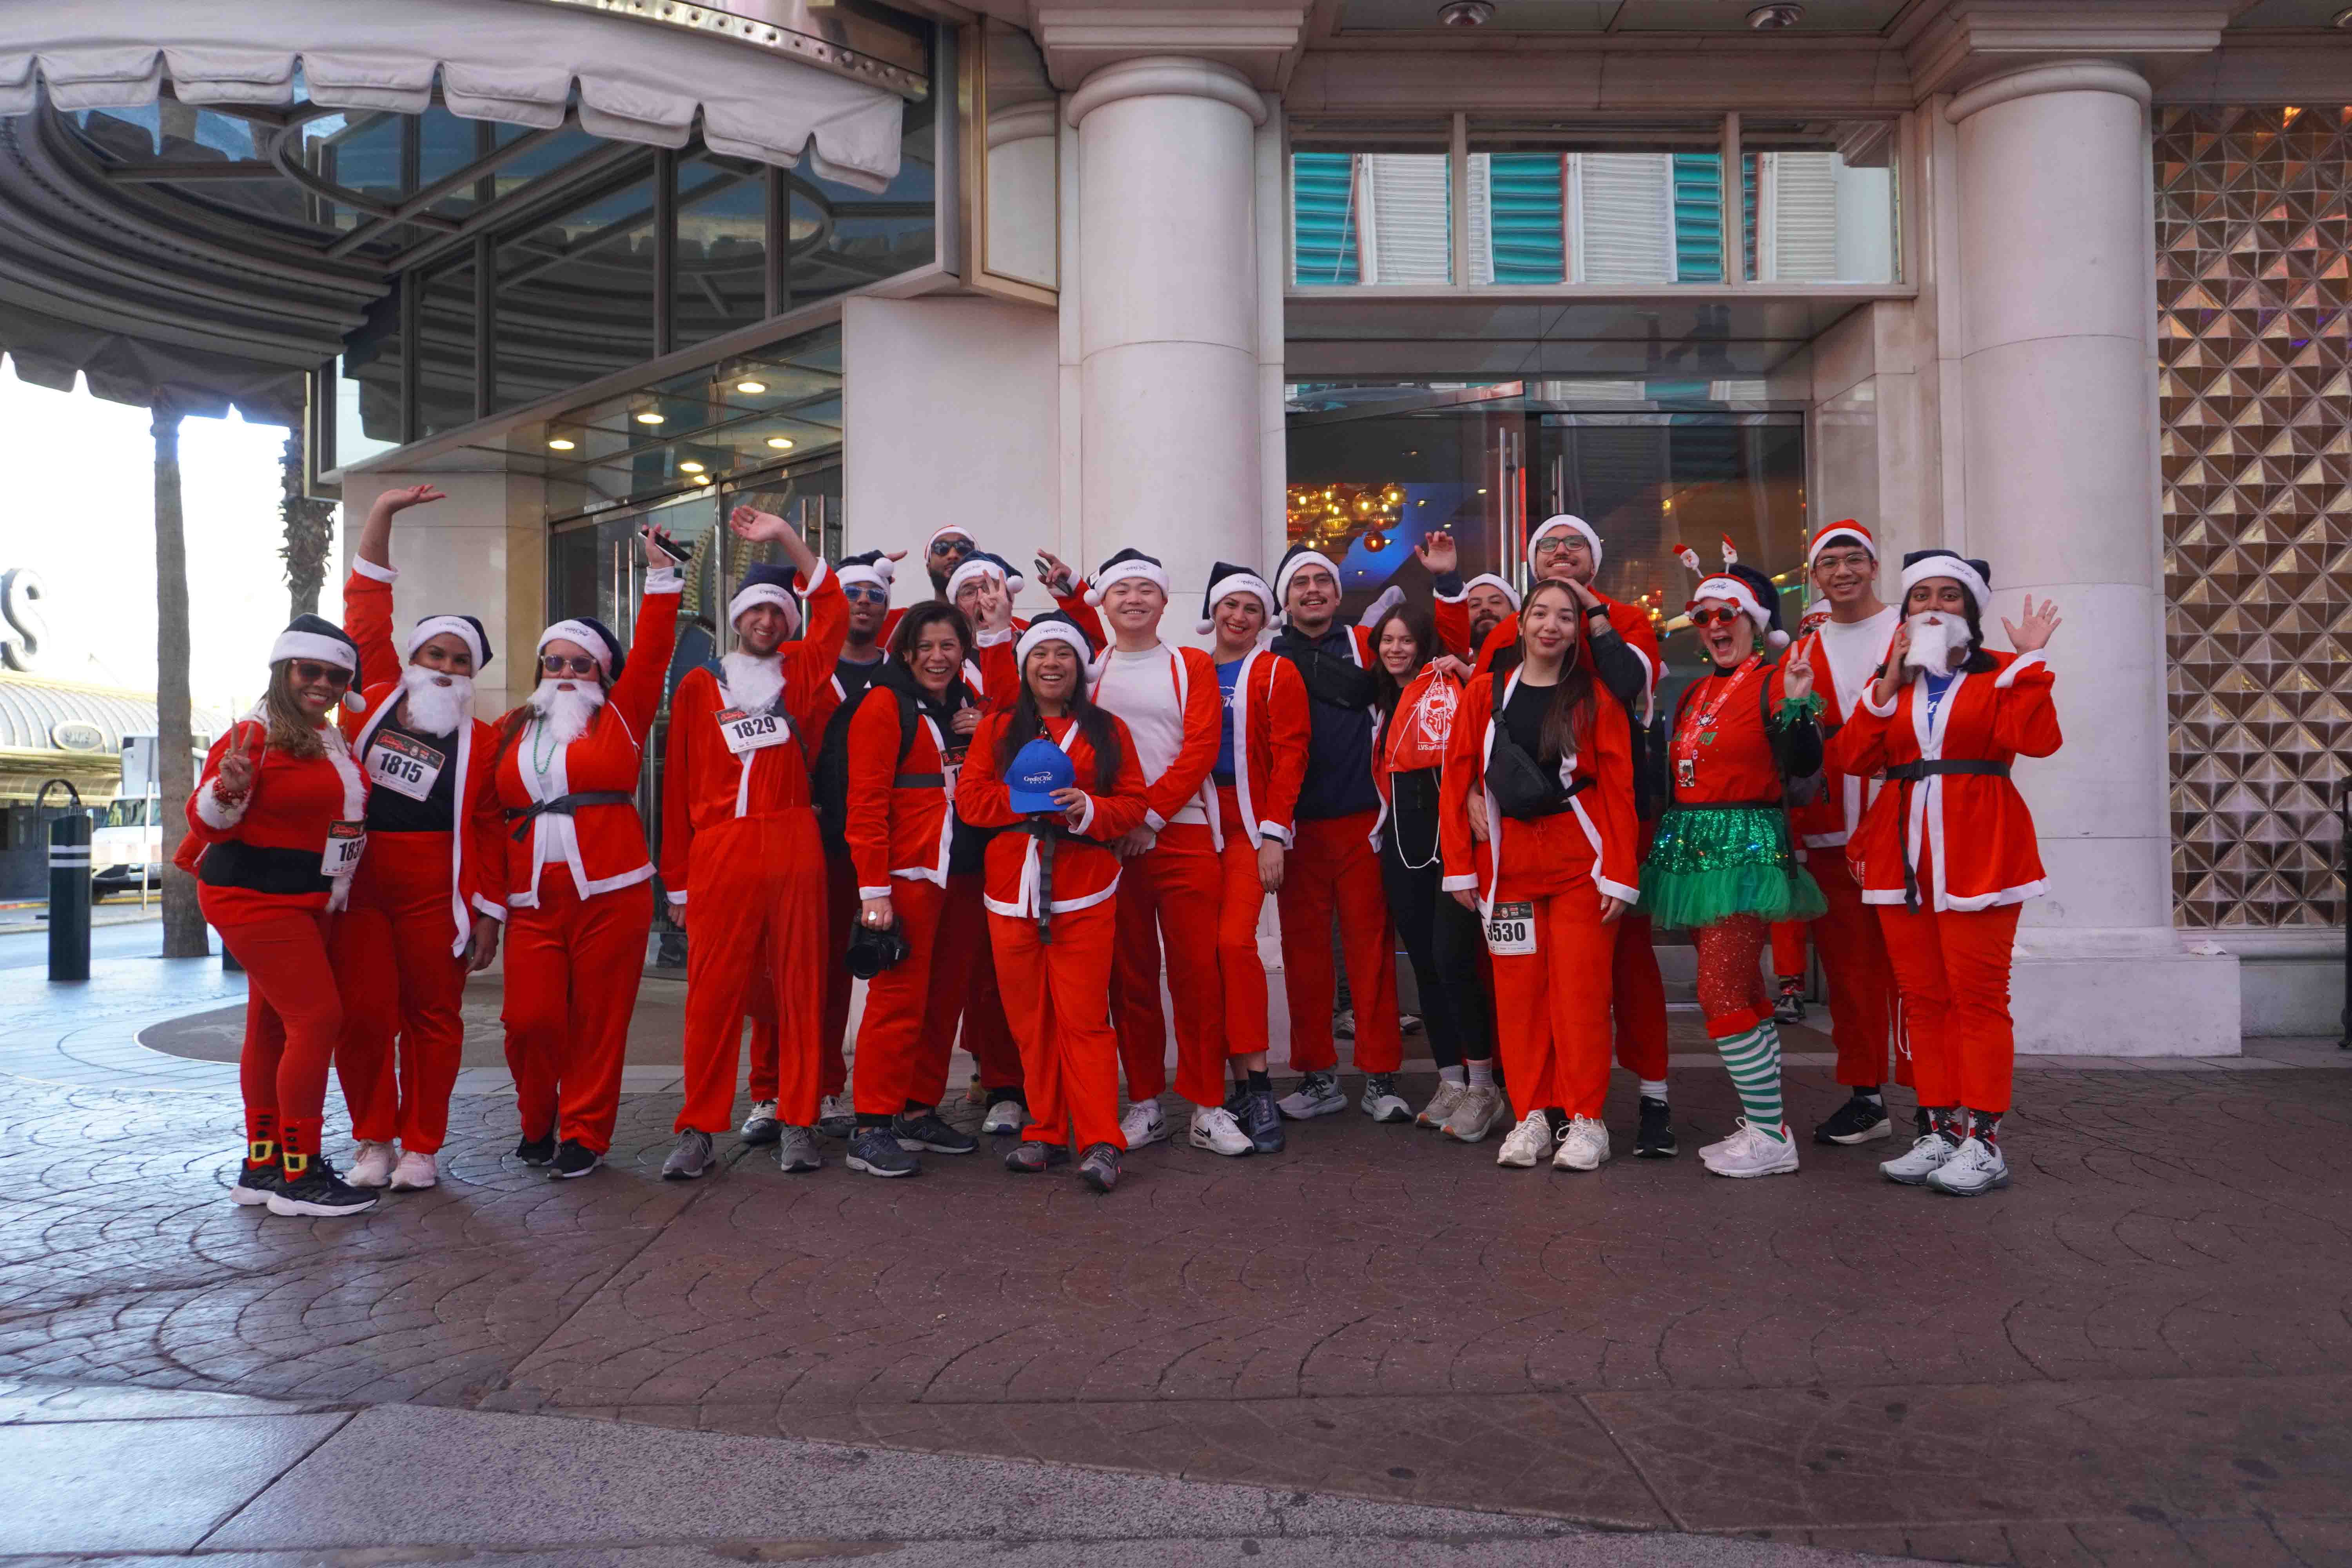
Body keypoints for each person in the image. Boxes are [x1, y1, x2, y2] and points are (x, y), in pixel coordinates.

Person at [1831, 550, 2062, 1197]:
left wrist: (2030, 663)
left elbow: (2039, 740)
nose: (1933, 606)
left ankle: (1983, 1139)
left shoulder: (2000, 675)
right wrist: (1885, 685)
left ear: (1972, 610)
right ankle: (1938, 1128)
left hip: (1980, 852)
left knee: (1978, 999)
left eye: (1949, 596)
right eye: (1921, 597)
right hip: (1901, 858)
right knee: (1923, 1000)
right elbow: (1852, 757)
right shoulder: (1896, 682)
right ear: (1905, 615)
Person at [1443, 515, 1675, 1158]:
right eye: (1541, 613)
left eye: (1565, 618)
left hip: (1579, 863)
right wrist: (1462, 867)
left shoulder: (1597, 694)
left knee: (1579, 995)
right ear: (1520, 623)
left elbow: (1621, 786)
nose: (1551, 625)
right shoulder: (1485, 690)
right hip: (1509, 865)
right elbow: (1457, 776)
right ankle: (1532, 1116)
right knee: (1518, 998)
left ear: (1581, 629)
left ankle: (1586, 1118)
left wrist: (1621, 873)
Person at [1037, 548, 1248, 1158]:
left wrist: (1149, 818)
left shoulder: (1188, 665)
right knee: (1129, 979)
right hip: (1110, 843)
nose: (1134, 599)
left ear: (1163, 600)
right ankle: (1147, 1103)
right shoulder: (1092, 670)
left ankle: (1208, 1105)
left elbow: (1201, 747)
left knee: (1196, 976)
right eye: (1121, 590)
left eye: (1146, 590)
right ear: (1104, 601)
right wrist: (1122, 823)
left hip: (1179, 835)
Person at [659, 508, 847, 1180]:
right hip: (720, 849)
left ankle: (799, 1118)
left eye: (778, 615)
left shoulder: (802, 671)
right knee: (712, 993)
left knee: (801, 984)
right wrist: (676, 882)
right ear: (738, 618)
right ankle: (699, 1127)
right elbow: (676, 780)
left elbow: (832, 609)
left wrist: (786, 541)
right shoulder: (699, 685)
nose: (768, 623)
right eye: (757, 613)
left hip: (794, 840)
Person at [330, 483, 507, 1193]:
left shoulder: (488, 743)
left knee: (434, 1018)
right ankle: (373, 1138)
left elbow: (493, 827)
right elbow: (365, 607)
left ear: (471, 675)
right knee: (364, 1015)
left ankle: (423, 1146)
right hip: (364, 880)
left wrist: (490, 908)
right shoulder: (370, 701)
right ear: (411, 658)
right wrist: (381, 516)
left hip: (442, 888)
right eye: (434, 653)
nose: (444, 666)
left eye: (459, 660)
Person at [490, 524, 681, 1179]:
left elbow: (655, 651)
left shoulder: (621, 716)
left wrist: (661, 577)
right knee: (529, 1020)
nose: (567, 673)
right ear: (540, 668)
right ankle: (536, 1119)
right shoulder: (512, 727)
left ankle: (585, 1134)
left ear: (601, 672)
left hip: (613, 891)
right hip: (533, 898)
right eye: (555, 662)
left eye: (581, 664)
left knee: (601, 1021)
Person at [1640, 554, 1826, 1179]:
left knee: (1719, 991)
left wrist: (1799, 704)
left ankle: (1772, 1137)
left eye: (1728, 614)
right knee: (1743, 988)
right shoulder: (1695, 690)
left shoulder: (1775, 679)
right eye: (1704, 616)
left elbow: (1801, 762)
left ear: (1752, 621)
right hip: (1694, 848)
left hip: (1744, 844)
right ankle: (1765, 1123)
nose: (1715, 625)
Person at [956, 613, 1149, 1192]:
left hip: (1085, 885)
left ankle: (1099, 1139)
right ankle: (1043, 1129)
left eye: (1064, 655)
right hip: (1011, 887)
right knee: (1029, 1019)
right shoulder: (997, 729)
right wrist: (1026, 802)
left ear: (1080, 667)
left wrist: (1085, 810)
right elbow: (970, 801)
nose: (1052, 665)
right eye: (1041, 655)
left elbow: (1134, 803)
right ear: (1025, 666)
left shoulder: (1109, 730)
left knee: (1085, 1019)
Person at [192, 615, 375, 1217]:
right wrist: (227, 789)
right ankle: (300, 1174)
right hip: (255, 899)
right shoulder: (254, 734)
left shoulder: (326, 736)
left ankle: (263, 1166)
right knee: (318, 1019)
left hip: (305, 902)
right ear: (284, 670)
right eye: (310, 670)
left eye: (335, 673)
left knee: (273, 1028)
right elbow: (206, 820)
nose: (322, 682)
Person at [837, 601, 995, 1178]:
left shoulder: (966, 708)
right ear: (906, 651)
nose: (937, 657)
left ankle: (917, 1108)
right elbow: (866, 804)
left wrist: (988, 730)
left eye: (948, 646)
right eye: (926, 647)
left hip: (964, 872)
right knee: (898, 1001)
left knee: (944, 998)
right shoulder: (884, 705)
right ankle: (872, 1125)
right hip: (907, 877)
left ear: (963, 653)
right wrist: (873, 890)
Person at [752, 546, 904, 1146]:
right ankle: (768, 1090)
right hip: (798, 838)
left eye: (874, 595)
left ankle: (826, 1086)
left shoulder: (902, 672)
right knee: (778, 969)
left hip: (863, 846)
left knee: (839, 969)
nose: (863, 603)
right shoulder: (794, 662)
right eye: (853, 594)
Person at [1265, 544, 1408, 1123]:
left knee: (1371, 954)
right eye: (1300, 582)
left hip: (1361, 826)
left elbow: (1421, 656)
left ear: (1338, 592)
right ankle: (1319, 1077)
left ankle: (1381, 1079)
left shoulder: (1365, 646)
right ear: (1286, 597)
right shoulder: (1268, 657)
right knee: (1305, 959)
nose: (1313, 590)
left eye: (1322, 579)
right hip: (1296, 831)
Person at [1785, 522, 1909, 1145]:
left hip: (1911, 828)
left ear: (1874, 565)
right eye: (1828, 562)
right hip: (1834, 832)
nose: (1842, 572)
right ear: (1815, 577)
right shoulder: (1803, 647)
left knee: (1918, 970)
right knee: (1851, 974)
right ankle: (1867, 1095)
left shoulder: (1910, 631)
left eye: (1853, 559)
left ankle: (1940, 1096)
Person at [1368, 598, 1503, 1142]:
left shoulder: (1453, 690)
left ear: (1426, 645)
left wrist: (1470, 675)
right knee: (1425, 965)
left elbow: (1494, 730)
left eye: (1406, 640)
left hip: (1450, 846)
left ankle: (1483, 1084)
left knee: (1455, 962)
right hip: (1401, 847)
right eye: (1387, 641)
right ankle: (1450, 1079)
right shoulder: (1380, 700)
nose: (1396, 649)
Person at [1191, 562, 1308, 1151]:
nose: (1238, 617)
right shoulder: (1185, 668)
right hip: (1190, 818)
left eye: (1252, 609)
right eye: (1230, 605)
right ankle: (1223, 1086)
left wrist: (1272, 834)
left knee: (1234, 945)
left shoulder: (1274, 670)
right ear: (1213, 609)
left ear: (1265, 620)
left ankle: (1258, 1084)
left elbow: (1291, 755)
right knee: (1201, 954)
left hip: (1248, 820)